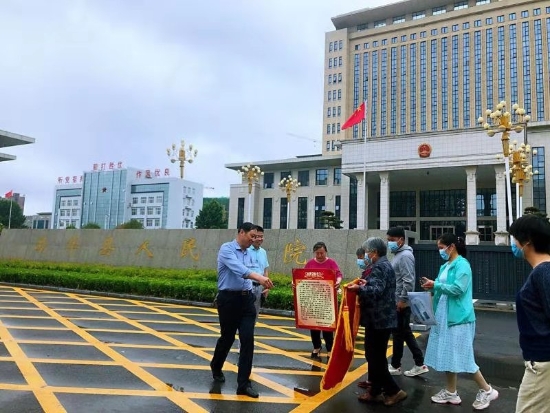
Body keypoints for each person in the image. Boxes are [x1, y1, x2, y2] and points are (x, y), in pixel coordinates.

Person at [421, 233, 498, 410]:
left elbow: (458, 289)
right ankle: (451, 391)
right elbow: (441, 288)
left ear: (452, 247)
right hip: (444, 315)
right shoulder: (446, 265)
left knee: (463, 355)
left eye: (442, 248)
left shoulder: (463, 265)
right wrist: (431, 288)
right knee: (448, 354)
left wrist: (435, 285)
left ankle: (487, 390)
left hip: (458, 318)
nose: (440, 251)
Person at [210, 222, 274, 398]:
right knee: (227, 338)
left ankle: (244, 384)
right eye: (251, 236)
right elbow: (241, 270)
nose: (253, 240)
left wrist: (261, 284)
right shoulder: (227, 249)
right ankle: (216, 365)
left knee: (247, 340)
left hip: (247, 300)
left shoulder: (249, 253)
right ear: (241, 233)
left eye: (256, 237)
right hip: (229, 300)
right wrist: (259, 278)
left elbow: (255, 272)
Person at [347, 237, 407, 406]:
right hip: (380, 319)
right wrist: (366, 283)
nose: (366, 255)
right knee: (375, 356)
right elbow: (378, 286)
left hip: (379, 319)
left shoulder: (380, 266)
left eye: (367, 252)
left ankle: (394, 391)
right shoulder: (383, 265)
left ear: (374, 252)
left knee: (375, 358)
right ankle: (375, 391)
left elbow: (377, 290)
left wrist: (359, 288)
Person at [509, 215, 550, 413]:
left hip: (543, 364)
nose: (513, 244)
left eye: (515, 238)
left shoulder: (544, 272)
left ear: (527, 241)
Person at [386, 226, 428, 377]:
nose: (389, 243)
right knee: (403, 333)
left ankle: (398, 365)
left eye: (392, 240)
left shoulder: (405, 256)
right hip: (397, 300)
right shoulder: (398, 254)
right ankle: (416, 363)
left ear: (401, 240)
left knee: (400, 333)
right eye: (388, 240)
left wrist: (402, 300)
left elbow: (408, 280)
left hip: (401, 302)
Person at [304, 241, 342, 360]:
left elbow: (338, 274)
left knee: (327, 326)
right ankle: (317, 347)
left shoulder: (331, 263)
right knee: (314, 326)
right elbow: (302, 276)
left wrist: (338, 281)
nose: (320, 255)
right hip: (313, 299)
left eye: (322, 253)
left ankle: (330, 348)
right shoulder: (310, 263)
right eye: (317, 253)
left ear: (326, 252)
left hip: (327, 299)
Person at [355, 246, 373, 390]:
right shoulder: (368, 271)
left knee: (374, 353)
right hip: (370, 316)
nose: (360, 261)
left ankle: (383, 387)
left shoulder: (377, 269)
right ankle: (371, 380)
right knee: (370, 351)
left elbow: (374, 291)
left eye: (361, 258)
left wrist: (360, 288)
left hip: (375, 317)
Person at [248, 225, 270, 322]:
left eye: (262, 236)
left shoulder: (263, 252)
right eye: (258, 236)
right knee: (244, 313)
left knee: (255, 314)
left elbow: (265, 270)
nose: (260, 239)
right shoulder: (246, 250)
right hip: (248, 286)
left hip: (259, 288)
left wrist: (267, 287)